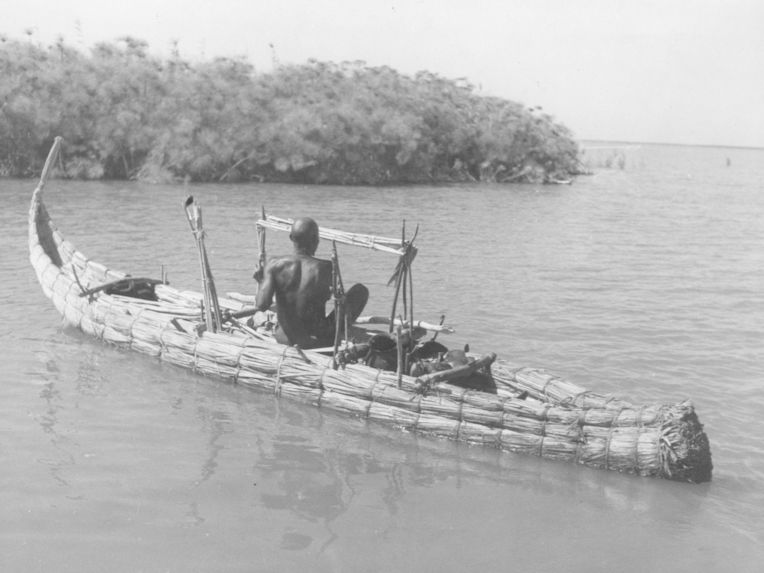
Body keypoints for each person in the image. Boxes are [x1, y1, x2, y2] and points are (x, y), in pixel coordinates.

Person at [254, 217, 368, 349]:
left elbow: (261, 305)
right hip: (316, 340)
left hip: (284, 338)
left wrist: (262, 281)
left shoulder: (273, 264)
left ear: (291, 238)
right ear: (316, 240)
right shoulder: (327, 268)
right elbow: (334, 299)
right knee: (360, 291)